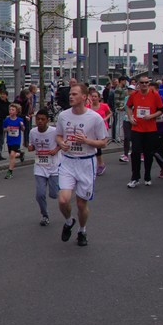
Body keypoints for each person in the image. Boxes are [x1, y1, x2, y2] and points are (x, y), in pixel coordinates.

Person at [56, 83, 109, 246]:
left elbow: (104, 142)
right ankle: (69, 221)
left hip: (86, 162)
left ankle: (82, 230)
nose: (70, 96)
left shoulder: (94, 118)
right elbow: (58, 135)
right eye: (70, 94)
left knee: (81, 204)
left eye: (74, 94)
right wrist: (61, 143)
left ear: (84, 97)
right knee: (63, 200)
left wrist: (86, 141)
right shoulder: (63, 116)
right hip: (68, 161)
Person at [126, 77, 163, 188]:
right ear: (139, 84)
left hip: (150, 129)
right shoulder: (134, 94)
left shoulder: (154, 94)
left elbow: (161, 110)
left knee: (148, 154)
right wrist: (130, 117)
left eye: (146, 82)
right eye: (142, 82)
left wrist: (151, 116)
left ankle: (147, 176)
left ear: (149, 83)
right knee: (135, 153)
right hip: (137, 128)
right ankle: (135, 177)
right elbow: (128, 107)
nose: (144, 84)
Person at [28, 108, 61, 226]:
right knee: (40, 194)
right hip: (39, 166)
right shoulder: (33, 132)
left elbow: (62, 143)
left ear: (47, 120)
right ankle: (45, 215)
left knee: (54, 194)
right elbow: (31, 145)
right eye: (38, 119)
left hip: (53, 166)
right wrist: (30, 147)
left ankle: (63, 188)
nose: (40, 121)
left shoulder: (54, 131)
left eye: (42, 119)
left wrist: (56, 149)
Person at [87, 88, 111, 176]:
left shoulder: (104, 106)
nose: (93, 98)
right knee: (92, 145)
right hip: (92, 128)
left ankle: (100, 164)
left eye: (95, 96)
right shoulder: (88, 107)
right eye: (92, 96)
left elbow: (110, 113)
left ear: (99, 98)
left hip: (102, 128)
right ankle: (94, 164)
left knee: (98, 146)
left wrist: (105, 119)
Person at [2, 103, 24, 179]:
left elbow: (23, 129)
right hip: (9, 140)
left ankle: (10, 172)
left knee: (12, 155)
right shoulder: (6, 120)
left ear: (16, 112)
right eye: (10, 109)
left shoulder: (19, 120)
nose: (10, 111)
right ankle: (20, 154)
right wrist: (6, 129)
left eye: (13, 110)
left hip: (16, 140)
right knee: (12, 155)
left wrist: (22, 125)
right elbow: (4, 129)